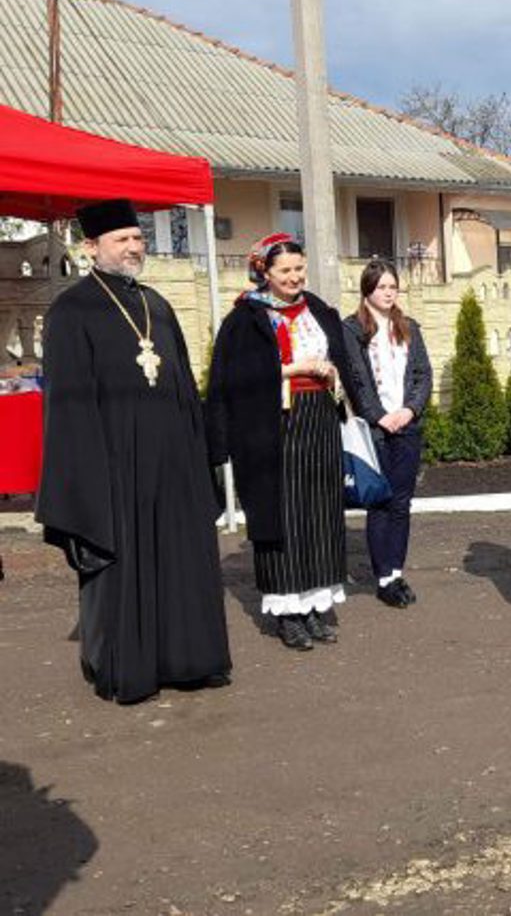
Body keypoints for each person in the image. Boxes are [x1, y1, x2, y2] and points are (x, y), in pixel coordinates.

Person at [36, 199, 231, 702]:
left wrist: (201, 452)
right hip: (114, 465)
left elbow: (186, 386)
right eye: (122, 239)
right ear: (91, 246)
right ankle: (126, 667)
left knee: (179, 559)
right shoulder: (70, 310)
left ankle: (187, 659)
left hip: (173, 464)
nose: (134, 247)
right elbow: (67, 407)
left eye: (138, 238)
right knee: (124, 565)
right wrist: (83, 484)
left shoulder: (156, 304)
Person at [206, 234, 357, 650]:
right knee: (284, 516)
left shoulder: (320, 312)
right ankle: (287, 614)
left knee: (319, 515)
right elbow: (234, 380)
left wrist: (333, 376)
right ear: (264, 272)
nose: (294, 277)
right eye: (285, 270)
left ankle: (313, 604)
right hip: (273, 427)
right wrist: (292, 369)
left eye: (299, 268)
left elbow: (344, 363)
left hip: (319, 422)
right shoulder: (246, 320)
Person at [343, 260, 432, 608]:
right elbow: (355, 378)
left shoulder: (408, 327)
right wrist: (380, 416)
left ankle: (396, 571)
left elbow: (423, 375)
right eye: (381, 287)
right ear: (367, 290)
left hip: (407, 425)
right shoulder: (351, 330)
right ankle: (383, 577)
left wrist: (409, 410)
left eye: (393, 287)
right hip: (375, 429)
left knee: (401, 502)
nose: (388, 292)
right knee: (380, 501)